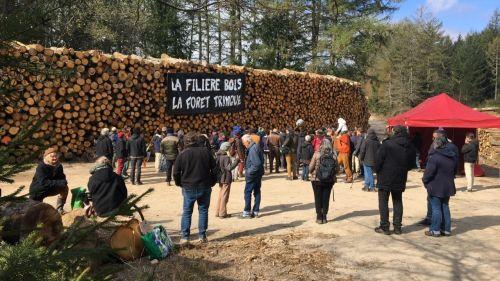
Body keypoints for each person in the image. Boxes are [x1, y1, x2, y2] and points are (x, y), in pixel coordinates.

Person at [174, 132, 216, 244]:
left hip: (189, 186)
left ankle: (185, 237)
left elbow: (175, 172)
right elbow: (215, 169)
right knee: (203, 211)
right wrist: (213, 181)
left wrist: (179, 183)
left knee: (187, 212)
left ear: (186, 142)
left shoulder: (183, 154)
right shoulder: (206, 152)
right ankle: (202, 236)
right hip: (204, 185)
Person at [375, 125, 416, 235]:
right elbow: (412, 164)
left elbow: (378, 160)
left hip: (385, 177)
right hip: (400, 176)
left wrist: (377, 171)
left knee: (383, 201)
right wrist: (403, 169)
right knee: (397, 201)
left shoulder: (387, 144)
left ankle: (385, 226)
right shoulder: (409, 145)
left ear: (395, 132)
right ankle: (397, 227)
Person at [422, 137, 456, 237]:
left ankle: (435, 230)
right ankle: (446, 230)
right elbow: (454, 171)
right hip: (448, 186)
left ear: (436, 145)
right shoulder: (452, 157)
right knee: (445, 207)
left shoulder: (435, 157)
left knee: (436, 208)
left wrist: (425, 181)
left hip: (436, 186)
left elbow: (428, 173)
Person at [29, 147, 68, 213]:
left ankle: (59, 209)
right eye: (52, 156)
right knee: (35, 211)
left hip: (51, 188)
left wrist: (63, 182)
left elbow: (61, 177)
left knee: (65, 188)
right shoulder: (41, 167)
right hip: (39, 190)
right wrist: (59, 182)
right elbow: (43, 182)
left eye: (56, 156)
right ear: (46, 157)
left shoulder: (59, 166)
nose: (55, 158)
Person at [309, 139, 338, 224]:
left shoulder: (317, 154)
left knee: (317, 197)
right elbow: (337, 169)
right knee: (326, 198)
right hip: (329, 180)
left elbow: (310, 168)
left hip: (316, 180)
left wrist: (313, 172)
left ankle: (319, 217)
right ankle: (324, 217)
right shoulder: (333, 155)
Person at [242, 134, 264, 218]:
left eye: (244, 143)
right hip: (258, 173)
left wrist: (249, 172)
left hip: (253, 174)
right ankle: (255, 211)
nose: (244, 144)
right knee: (257, 191)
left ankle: (247, 211)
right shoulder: (255, 146)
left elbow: (257, 164)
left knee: (248, 192)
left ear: (247, 141)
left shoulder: (253, 149)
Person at [215, 142, 239, 218]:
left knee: (220, 195)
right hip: (226, 178)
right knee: (225, 195)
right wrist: (236, 161)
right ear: (227, 148)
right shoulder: (225, 157)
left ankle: (217, 212)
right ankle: (222, 213)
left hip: (220, 177)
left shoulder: (218, 155)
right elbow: (229, 168)